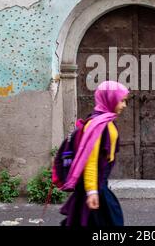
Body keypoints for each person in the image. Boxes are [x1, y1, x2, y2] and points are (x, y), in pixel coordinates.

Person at [60, 80, 129, 226]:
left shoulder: (107, 121)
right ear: (109, 99)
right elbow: (90, 161)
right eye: (121, 100)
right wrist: (92, 191)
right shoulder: (97, 125)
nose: (124, 105)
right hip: (95, 185)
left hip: (100, 184)